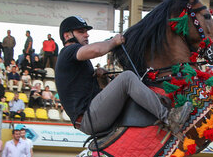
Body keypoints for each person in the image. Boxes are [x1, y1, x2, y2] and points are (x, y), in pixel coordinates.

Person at [55, 16, 191, 136]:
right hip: (88, 118)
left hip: (90, 116)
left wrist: (101, 79)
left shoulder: (76, 60)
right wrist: (113, 42)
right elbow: (96, 50)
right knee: (127, 78)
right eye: (81, 32)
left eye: (86, 32)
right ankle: (169, 118)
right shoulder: (68, 51)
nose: (86, 35)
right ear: (67, 36)